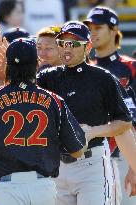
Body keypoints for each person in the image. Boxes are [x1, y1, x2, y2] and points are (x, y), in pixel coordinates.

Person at [0, 38, 87, 205]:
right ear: (36, 65)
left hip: (7, 188)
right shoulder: (54, 101)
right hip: (42, 187)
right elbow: (78, 151)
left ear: (7, 66)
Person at [36, 21, 136, 205]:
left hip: (92, 164)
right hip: (56, 166)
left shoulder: (103, 78)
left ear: (88, 46)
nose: (67, 48)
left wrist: (92, 132)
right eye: (62, 43)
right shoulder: (46, 77)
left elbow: (124, 123)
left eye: (74, 43)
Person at [83, 6, 136, 204]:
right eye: (89, 27)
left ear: (114, 30)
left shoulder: (130, 67)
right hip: (93, 157)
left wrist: (134, 164)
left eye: (98, 27)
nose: (92, 32)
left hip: (124, 155)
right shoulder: (85, 68)